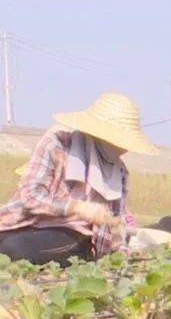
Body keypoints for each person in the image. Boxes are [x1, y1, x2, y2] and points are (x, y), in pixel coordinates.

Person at [0, 92, 158, 266]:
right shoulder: (57, 144)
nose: (124, 149)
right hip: (26, 222)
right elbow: (30, 196)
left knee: (13, 250)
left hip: (72, 233)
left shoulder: (119, 172)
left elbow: (117, 226)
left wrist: (121, 252)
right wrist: (77, 208)